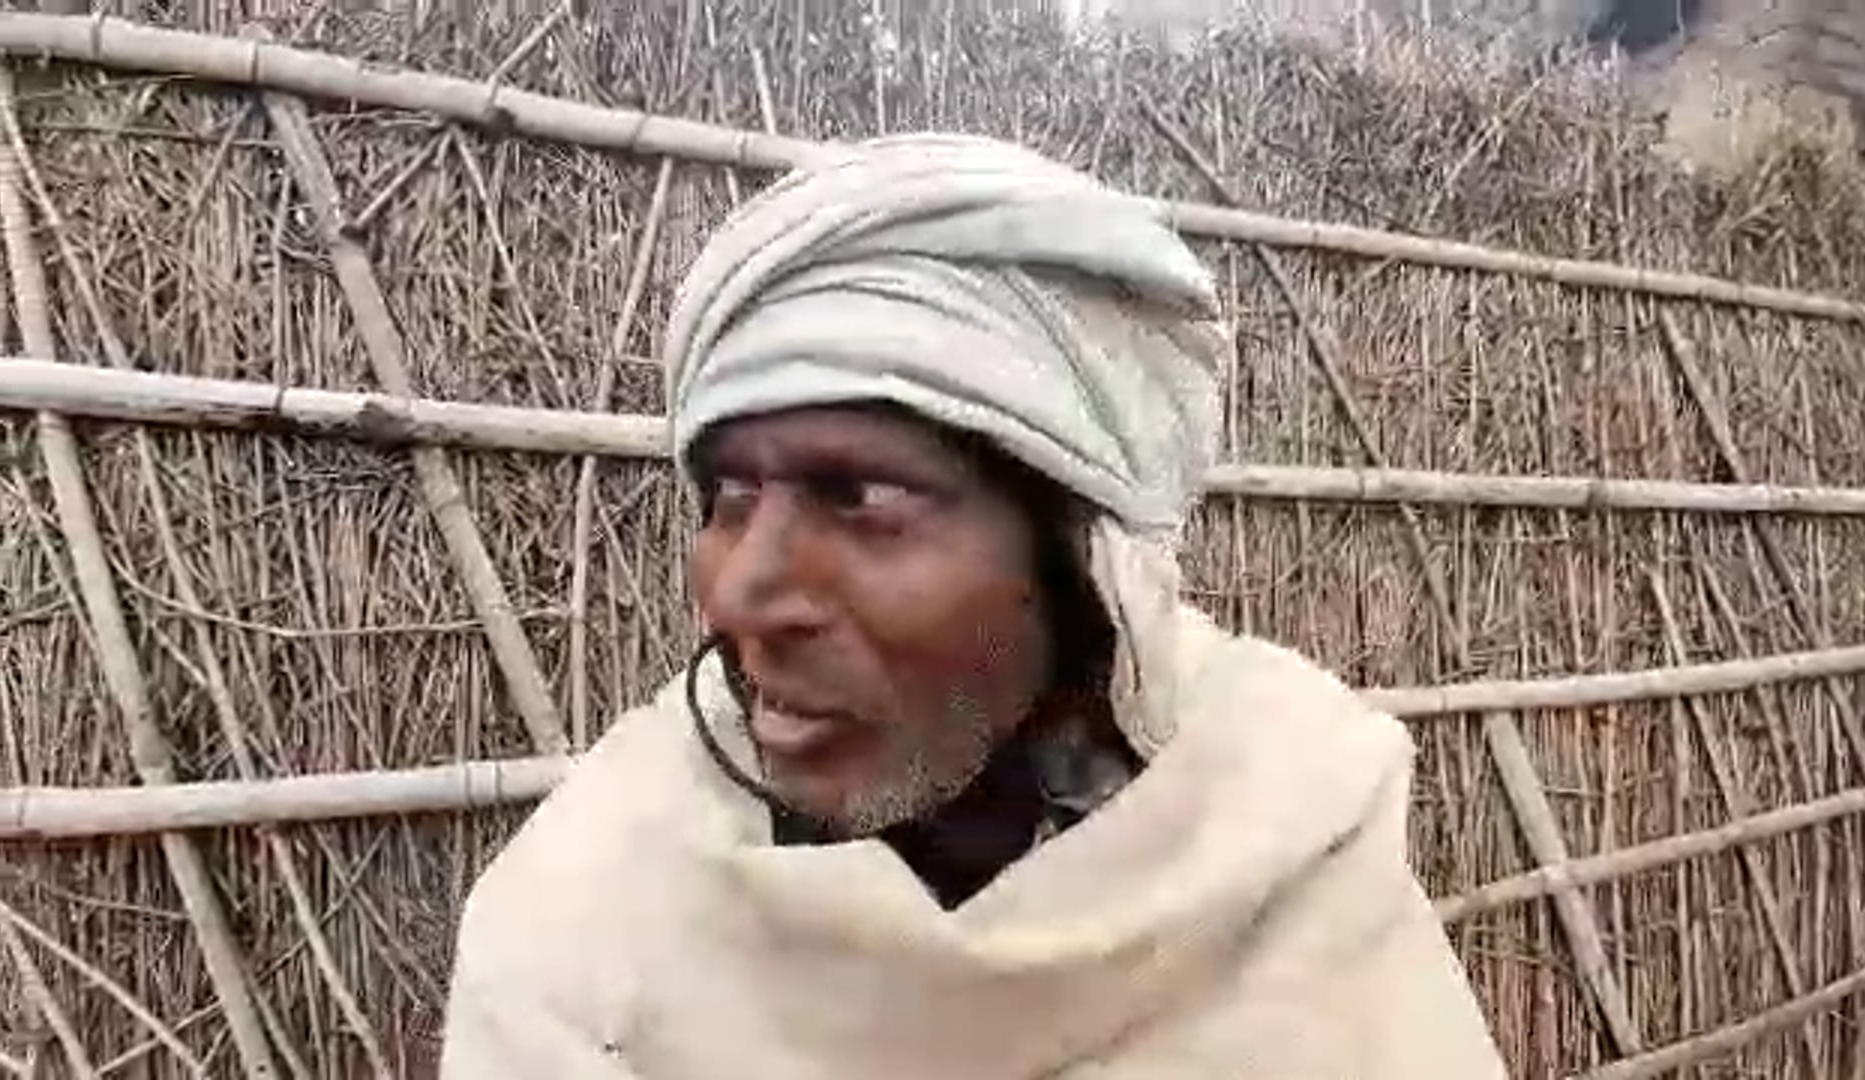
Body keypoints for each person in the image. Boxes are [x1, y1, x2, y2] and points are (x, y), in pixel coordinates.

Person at [439, 134, 1507, 1078]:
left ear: (1074, 552)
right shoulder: (591, 926)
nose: (740, 592)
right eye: (727, 496)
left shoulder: (1279, 821)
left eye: (859, 498)